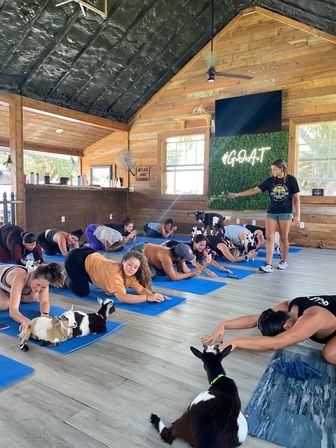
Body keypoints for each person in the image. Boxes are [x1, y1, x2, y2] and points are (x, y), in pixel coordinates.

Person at [202, 295, 336, 365]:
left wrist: (235, 341)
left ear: (288, 327)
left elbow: (275, 343)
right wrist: (224, 324)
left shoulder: (312, 318)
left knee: (330, 354)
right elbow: (258, 318)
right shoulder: (290, 305)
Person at [228, 159, 300, 273]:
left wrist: (297, 215)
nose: (273, 172)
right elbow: (255, 189)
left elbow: (296, 198)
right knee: (270, 238)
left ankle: (283, 261)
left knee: (283, 238)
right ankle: (268, 264)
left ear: (282, 168)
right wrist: (237, 194)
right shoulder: (270, 181)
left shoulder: (291, 180)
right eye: (272, 169)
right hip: (271, 212)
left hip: (285, 213)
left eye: (275, 169)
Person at [64, 247, 168, 304]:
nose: (132, 268)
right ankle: (65, 277)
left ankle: (82, 276)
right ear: (123, 262)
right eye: (130, 264)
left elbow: (140, 290)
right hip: (75, 259)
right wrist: (147, 298)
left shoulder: (130, 275)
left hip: (91, 254)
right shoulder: (115, 274)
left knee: (96, 279)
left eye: (135, 267)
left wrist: (154, 295)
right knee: (82, 292)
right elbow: (123, 297)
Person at [0, 263, 65, 330]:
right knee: (5, 304)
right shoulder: (20, 277)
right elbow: (13, 311)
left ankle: (10, 294)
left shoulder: (43, 279)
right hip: (8, 277)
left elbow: (44, 302)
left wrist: (44, 315)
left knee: (33, 297)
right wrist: (26, 321)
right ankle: (8, 295)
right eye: (38, 285)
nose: (39, 289)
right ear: (32, 275)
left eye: (43, 287)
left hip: (10, 285)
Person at [163, 235, 233, 278]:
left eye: (204, 245)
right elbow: (194, 263)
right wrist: (208, 271)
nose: (202, 247)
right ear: (194, 243)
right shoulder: (188, 248)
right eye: (200, 245)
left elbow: (210, 260)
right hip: (166, 246)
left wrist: (222, 268)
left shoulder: (202, 249)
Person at [133, 242, 202, 281]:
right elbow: (173, 277)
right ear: (179, 257)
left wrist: (193, 273)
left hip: (149, 254)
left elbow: (187, 271)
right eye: (185, 258)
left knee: (167, 270)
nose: (185, 260)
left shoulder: (178, 254)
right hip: (138, 252)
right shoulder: (166, 257)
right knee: (151, 274)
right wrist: (190, 274)